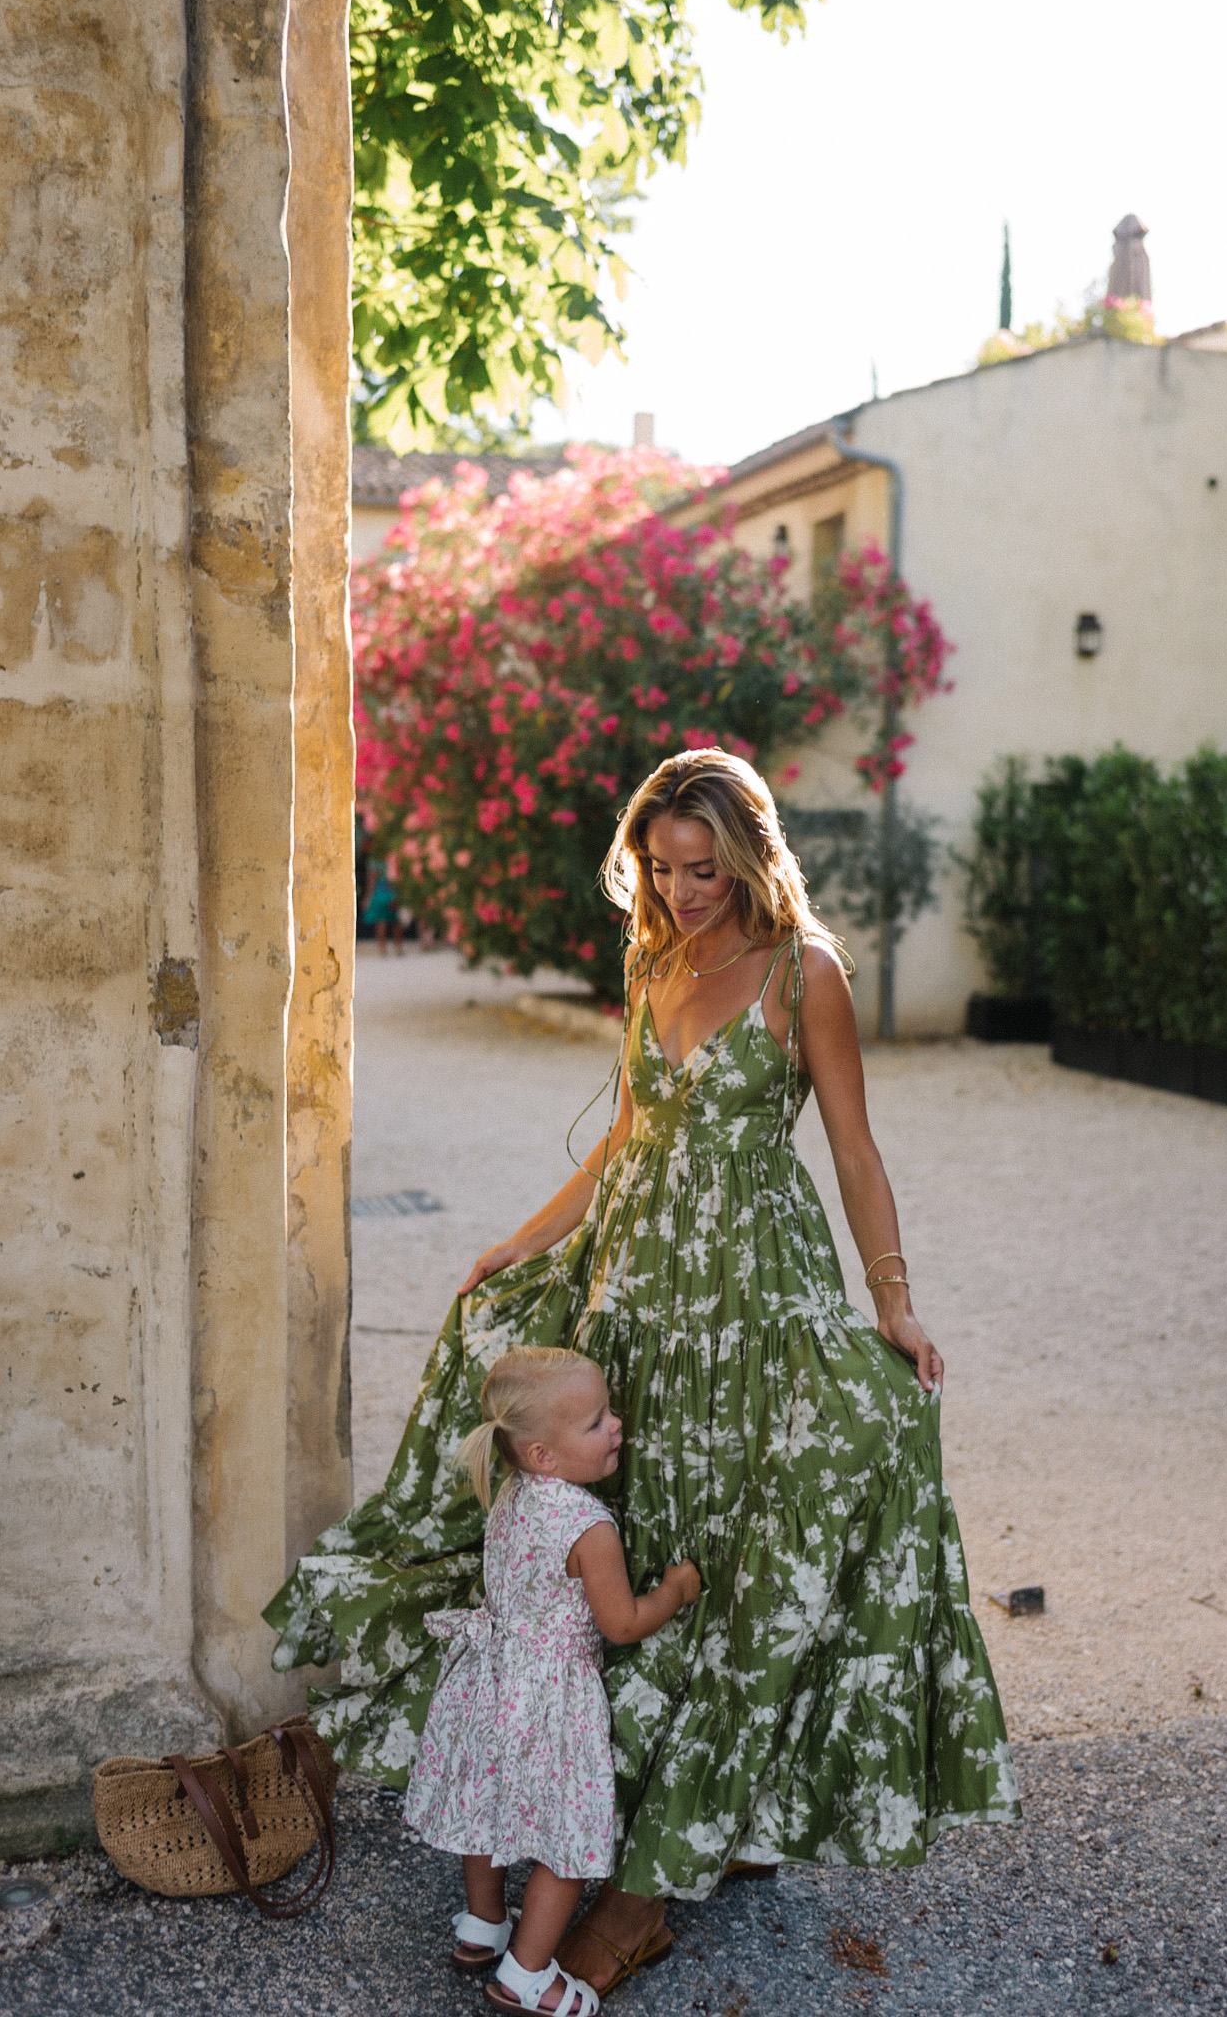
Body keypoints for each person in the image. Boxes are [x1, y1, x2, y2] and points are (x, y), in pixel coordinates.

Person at [265, 748, 1018, 2001]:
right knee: (639, 1532)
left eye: (705, 871)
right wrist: (525, 1237)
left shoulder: (803, 974)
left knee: (753, 1540)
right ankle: (631, 1802)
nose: (682, 893)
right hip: (638, 1297)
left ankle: (685, 1846)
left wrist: (891, 1302)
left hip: (751, 1301)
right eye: (662, 870)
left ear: (753, 857)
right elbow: (627, 1136)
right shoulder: (652, 959)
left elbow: (854, 1148)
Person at [404, 1346, 700, 2016]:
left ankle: (482, 1927)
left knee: (489, 1811)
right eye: (596, 1421)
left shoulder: (512, 1493)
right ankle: (528, 1975)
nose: (618, 1425)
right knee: (564, 1843)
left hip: (491, 1680)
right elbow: (622, 1623)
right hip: (549, 1698)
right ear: (543, 1453)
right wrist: (676, 1592)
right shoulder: (588, 1526)